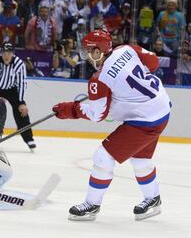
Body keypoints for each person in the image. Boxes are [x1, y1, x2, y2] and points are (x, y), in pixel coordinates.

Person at [52, 30, 171, 221]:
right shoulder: (126, 49)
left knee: (103, 156)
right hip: (161, 108)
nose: (86, 55)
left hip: (144, 120)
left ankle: (92, 205)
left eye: (89, 50)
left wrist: (69, 109)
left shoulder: (99, 79)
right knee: (140, 160)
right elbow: (153, 63)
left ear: (99, 51)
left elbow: (97, 114)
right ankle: (153, 199)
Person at [0, 42, 36, 150]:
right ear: (1, 53)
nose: (7, 55)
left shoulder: (19, 64)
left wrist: (21, 102)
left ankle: (29, 138)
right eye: (4, 52)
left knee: (22, 112)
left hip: (12, 90)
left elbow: (21, 83)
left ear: (13, 53)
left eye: (9, 52)